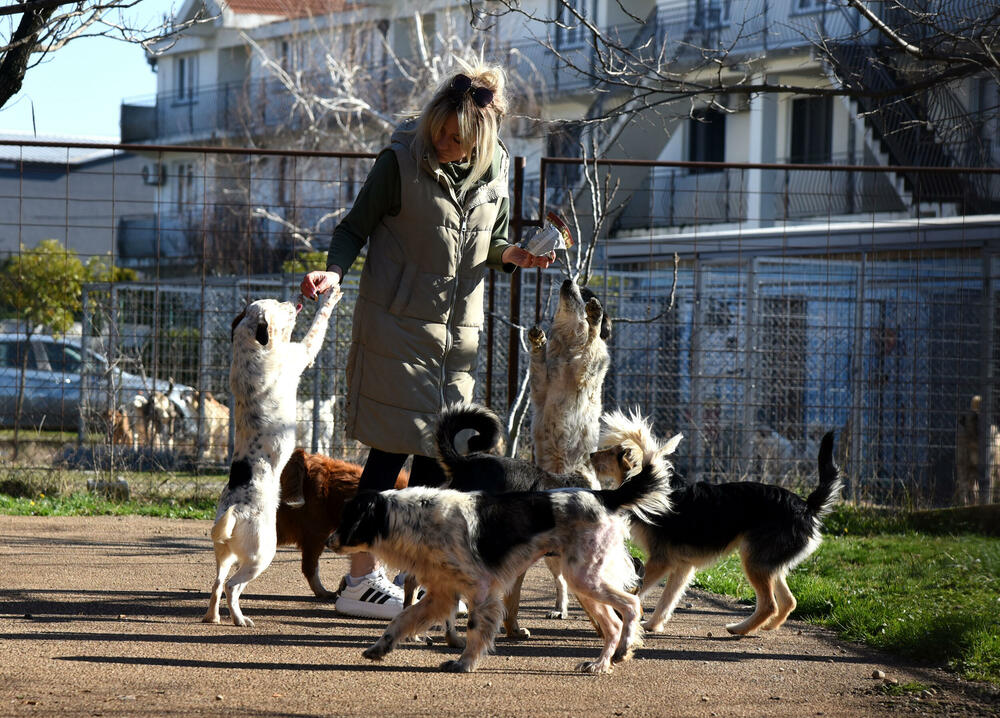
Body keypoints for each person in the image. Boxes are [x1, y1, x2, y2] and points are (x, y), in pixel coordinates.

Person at [300, 64, 554, 619]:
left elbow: (495, 241)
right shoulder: (399, 162)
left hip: (458, 336)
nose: (444, 142)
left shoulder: (499, 170)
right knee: (389, 451)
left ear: (482, 140)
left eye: (457, 138)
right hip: (396, 325)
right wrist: (334, 274)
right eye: (440, 130)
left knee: (441, 464)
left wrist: (516, 255)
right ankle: (361, 580)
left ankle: (427, 580)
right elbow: (352, 229)